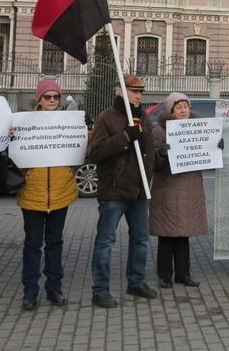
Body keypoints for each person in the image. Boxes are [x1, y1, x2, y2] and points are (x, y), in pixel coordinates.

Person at [88, 74, 156, 308]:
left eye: (141, 92)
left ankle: (136, 281)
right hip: (114, 192)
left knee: (140, 239)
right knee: (105, 241)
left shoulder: (144, 118)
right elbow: (96, 152)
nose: (139, 96)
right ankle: (100, 290)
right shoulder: (106, 118)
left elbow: (148, 151)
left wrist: (160, 156)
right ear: (120, 92)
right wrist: (125, 137)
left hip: (139, 191)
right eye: (134, 91)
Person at [14, 80, 78, 311]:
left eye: (56, 97)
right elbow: (13, 152)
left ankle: (54, 288)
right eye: (47, 96)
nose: (52, 100)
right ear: (39, 99)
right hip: (33, 192)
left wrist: (86, 130)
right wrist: (10, 137)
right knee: (32, 244)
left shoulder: (68, 123)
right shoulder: (24, 123)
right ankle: (30, 292)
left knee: (55, 243)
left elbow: (80, 148)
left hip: (60, 192)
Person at [150, 93, 208, 289]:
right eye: (179, 107)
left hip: (190, 189)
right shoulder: (159, 131)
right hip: (168, 189)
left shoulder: (198, 129)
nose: (183, 110)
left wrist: (216, 147)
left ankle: (183, 273)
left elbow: (207, 155)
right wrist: (160, 154)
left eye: (186, 106)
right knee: (167, 234)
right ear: (171, 110)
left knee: (184, 234)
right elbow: (153, 163)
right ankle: (165, 275)